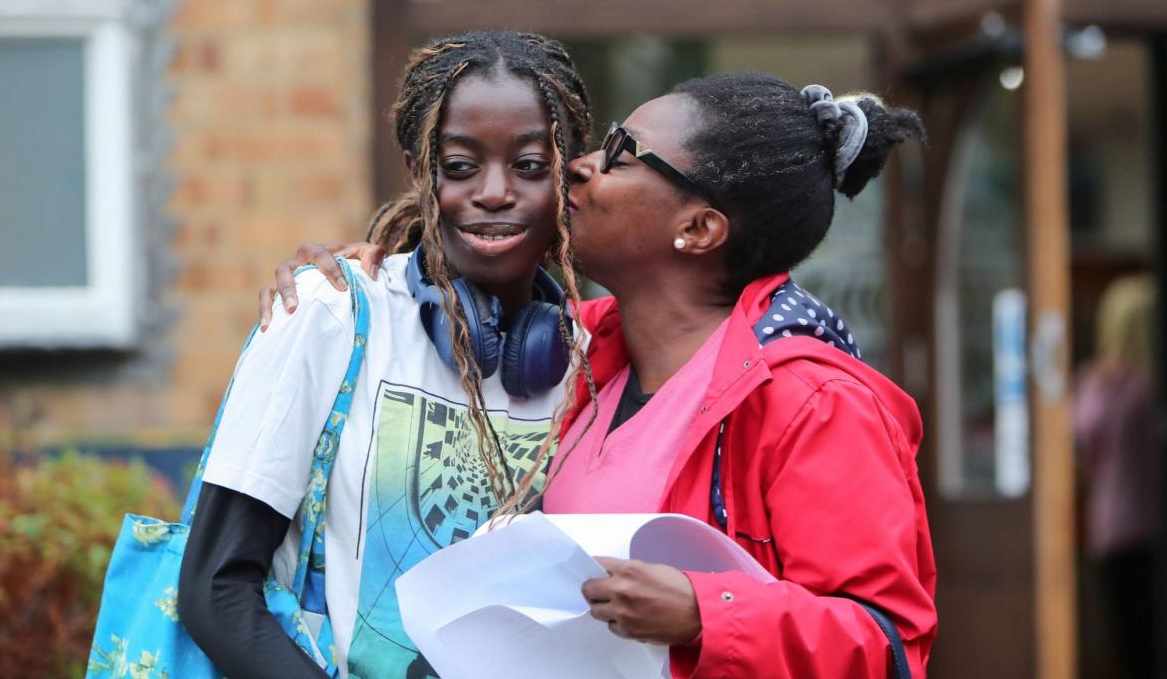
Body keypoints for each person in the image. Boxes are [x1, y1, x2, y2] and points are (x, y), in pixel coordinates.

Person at [263, 73, 938, 678]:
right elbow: (439, 308)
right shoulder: (573, 351)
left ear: (699, 229)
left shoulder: (814, 402)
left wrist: (706, 613)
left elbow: (884, 644)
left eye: (620, 156)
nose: (578, 167)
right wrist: (356, 283)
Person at [177, 29, 593, 679]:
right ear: (417, 171)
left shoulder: (591, 360)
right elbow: (215, 588)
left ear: (569, 179)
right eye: (459, 166)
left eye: (530, 166)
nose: (492, 192)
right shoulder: (332, 314)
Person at [1073, 274, 1159, 679]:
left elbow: (1079, 441)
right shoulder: (1149, 385)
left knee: (1128, 639)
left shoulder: (1101, 384)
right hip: (1150, 524)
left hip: (1115, 526)